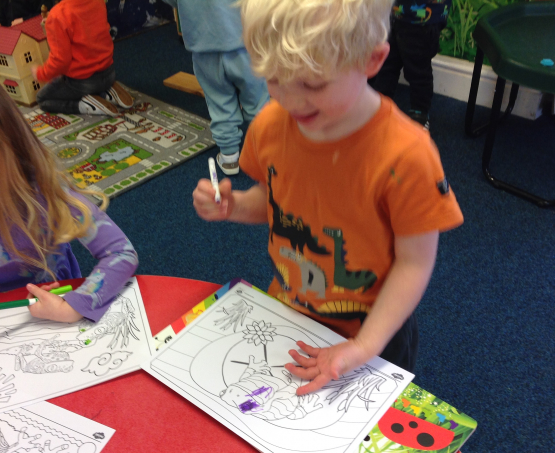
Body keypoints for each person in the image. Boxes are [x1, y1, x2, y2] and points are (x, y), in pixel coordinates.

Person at [192, 0, 463, 394]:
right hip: (290, 311)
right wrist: (233, 206)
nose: (290, 99)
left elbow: (415, 264)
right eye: (273, 78)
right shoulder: (270, 125)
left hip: (373, 333)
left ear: (371, 61)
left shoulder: (408, 156)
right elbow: (273, 205)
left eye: (313, 84)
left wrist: (362, 347)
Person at [0, 45, 139, 387]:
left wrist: (75, 305)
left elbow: (120, 253)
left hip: (52, 320)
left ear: (4, 136)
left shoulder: (46, 193)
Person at [162, 0, 269, 175]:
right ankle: (265, 152)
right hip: (244, 43)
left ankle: (229, 158)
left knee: (219, 101)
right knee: (256, 99)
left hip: (204, 48)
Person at [32, 0, 134, 116]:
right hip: (109, 72)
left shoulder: (58, 15)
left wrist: (41, 74)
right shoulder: (97, 2)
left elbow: (60, 61)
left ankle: (85, 105)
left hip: (83, 82)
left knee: (42, 99)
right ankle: (105, 92)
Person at [370, 0, 452, 130]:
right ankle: (380, 104)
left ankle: (420, 112)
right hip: (394, 14)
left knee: (418, 72)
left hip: (423, 22)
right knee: (387, 65)